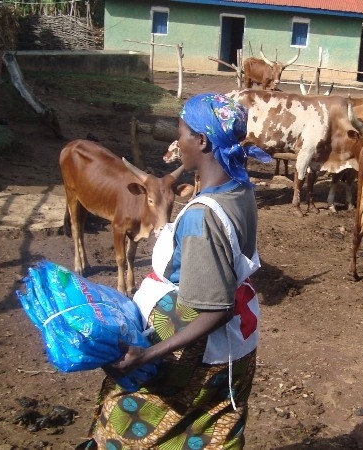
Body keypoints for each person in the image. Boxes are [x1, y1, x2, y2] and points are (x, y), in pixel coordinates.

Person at [78, 93, 272, 449]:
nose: (177, 143)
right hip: (235, 344)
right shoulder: (239, 189)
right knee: (209, 429)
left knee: (125, 424)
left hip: (198, 351)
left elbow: (217, 308)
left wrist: (147, 355)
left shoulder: (202, 217)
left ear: (202, 141)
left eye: (181, 133)